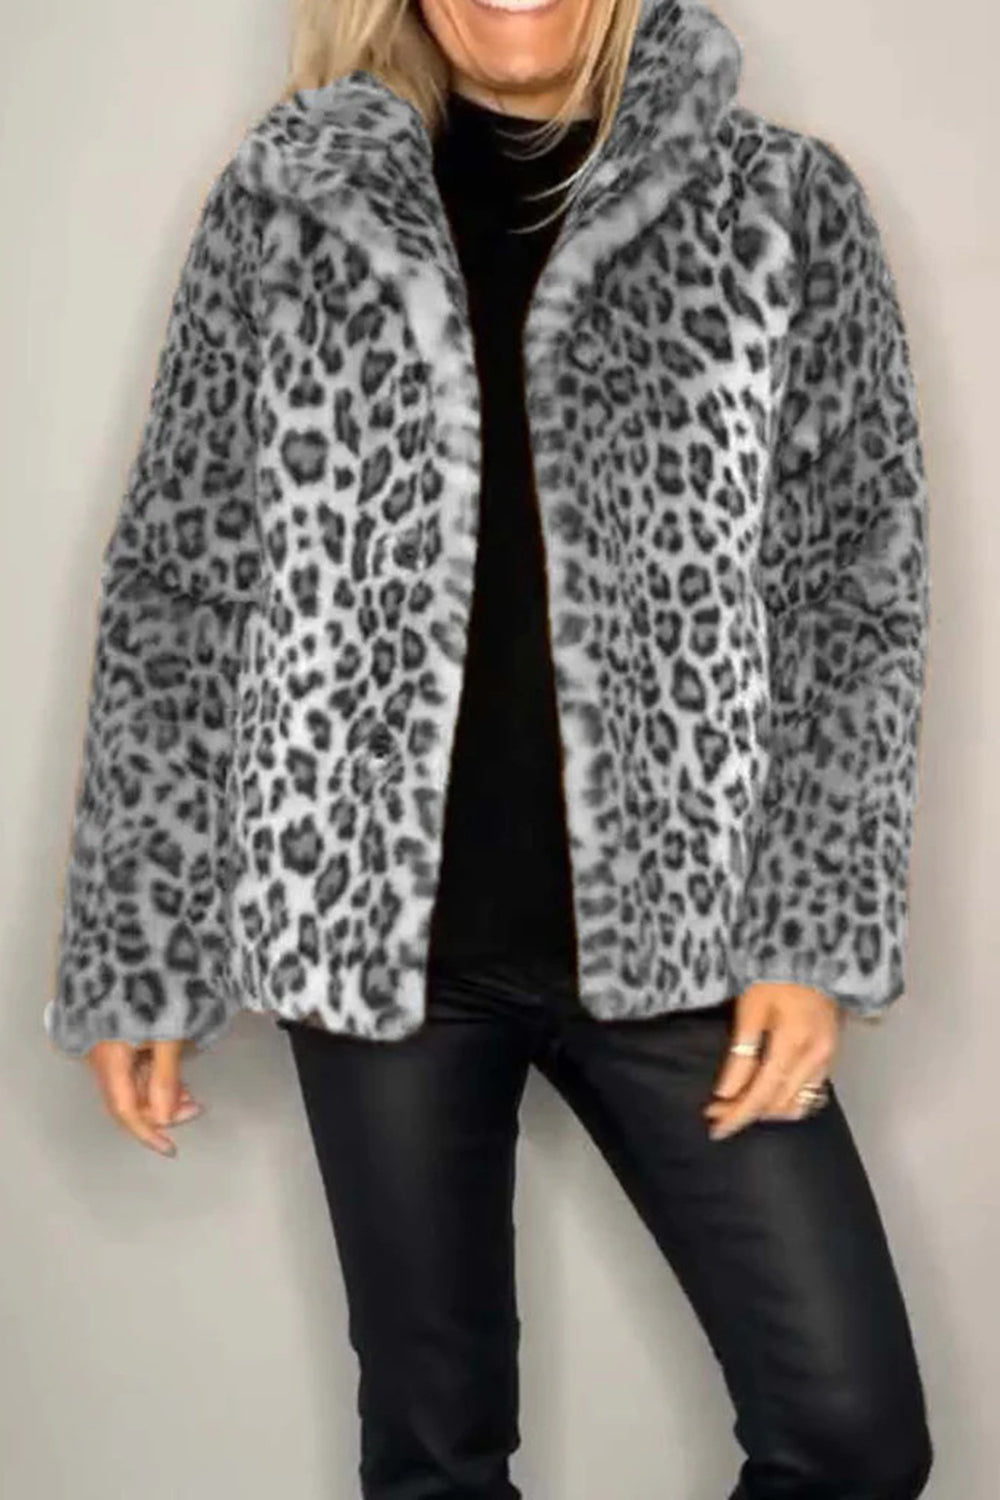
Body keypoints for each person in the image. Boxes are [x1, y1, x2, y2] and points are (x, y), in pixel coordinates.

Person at [47, 0, 935, 1495]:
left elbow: (855, 590)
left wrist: (811, 931)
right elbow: (183, 583)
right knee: (435, 1458)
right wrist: (142, 946)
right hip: (372, 947)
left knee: (851, 1434)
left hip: (690, 940)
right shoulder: (290, 205)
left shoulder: (782, 200)